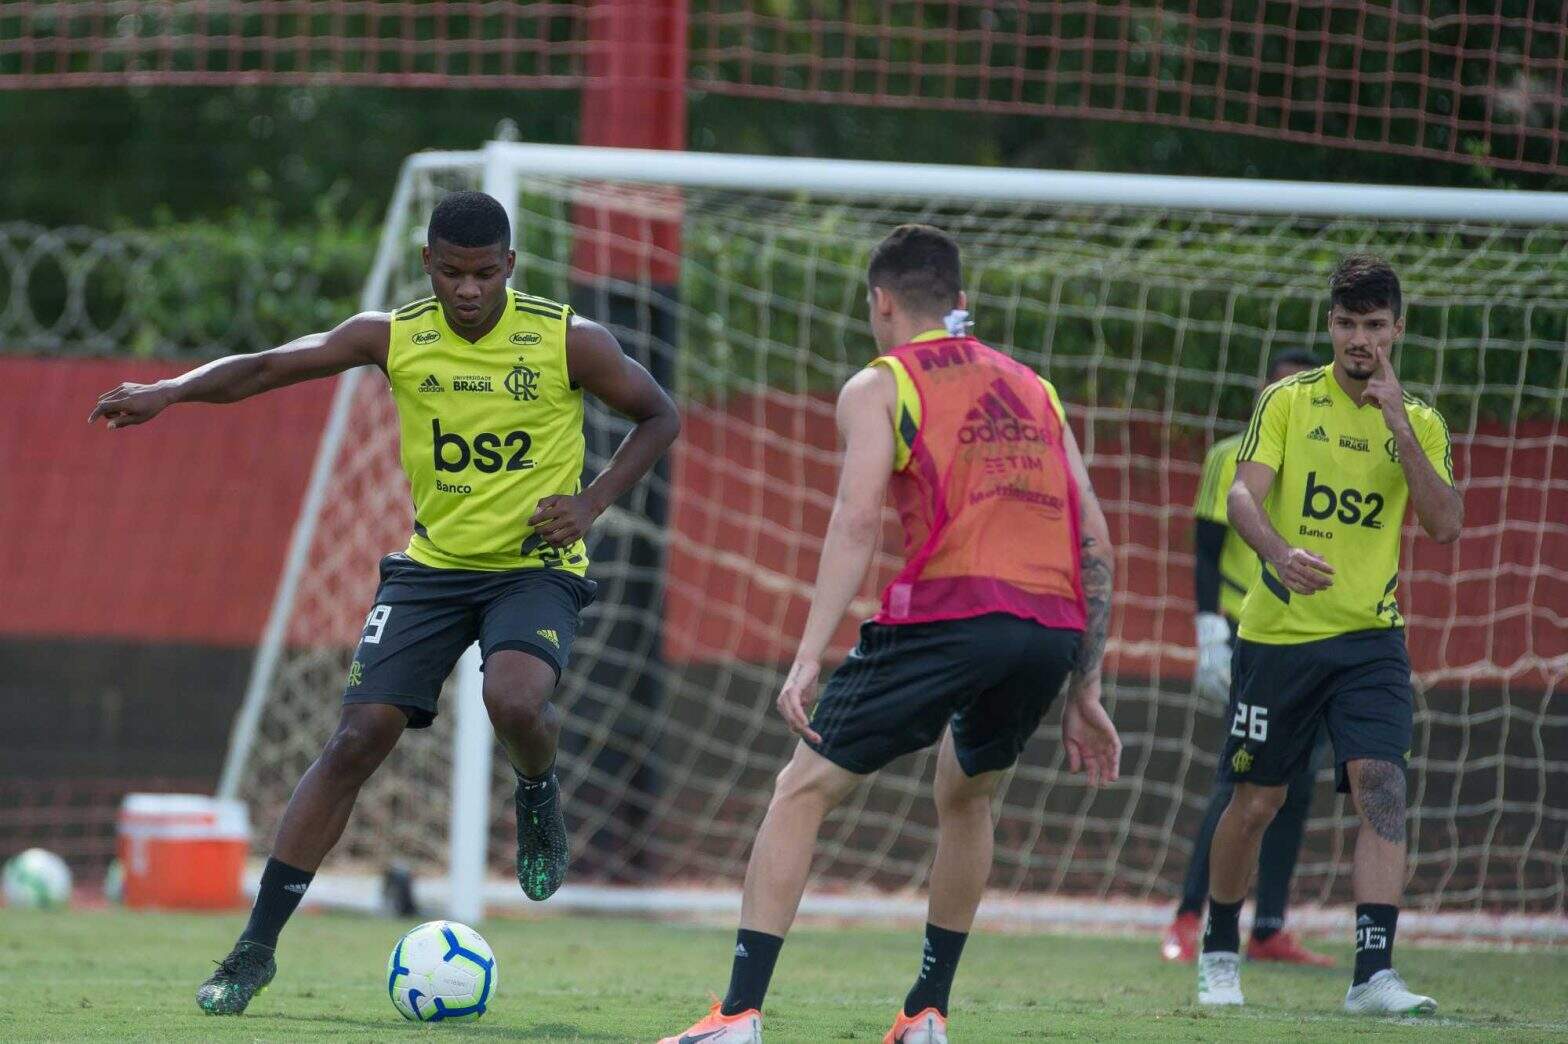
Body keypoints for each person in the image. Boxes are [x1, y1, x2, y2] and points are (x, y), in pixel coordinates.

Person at [89, 191, 680, 1016]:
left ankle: (537, 794)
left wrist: (590, 504)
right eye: (449, 272)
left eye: (482, 273)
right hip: (432, 567)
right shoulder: (394, 335)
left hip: (532, 568)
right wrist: (170, 388)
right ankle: (253, 951)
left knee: (513, 699)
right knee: (357, 737)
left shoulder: (567, 339)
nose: (466, 290)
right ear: (428, 266)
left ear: (509, 267)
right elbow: (270, 366)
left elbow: (659, 414)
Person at [658, 225, 1121, 1044]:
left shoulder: (881, 383)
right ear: (959, 301)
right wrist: (1085, 686)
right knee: (968, 790)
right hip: (1052, 626)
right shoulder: (1035, 388)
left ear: (882, 302)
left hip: (951, 613)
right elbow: (1095, 537)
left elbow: (856, 516)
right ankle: (927, 1012)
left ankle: (736, 1015)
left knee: (801, 789)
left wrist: (807, 656)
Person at [1196, 253, 1461, 1014]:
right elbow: (1243, 497)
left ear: (1397, 330)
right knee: (1255, 803)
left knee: (1383, 787)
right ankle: (1219, 947)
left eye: (1375, 326)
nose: (1360, 340)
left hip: (1371, 638)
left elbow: (1445, 526)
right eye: (1347, 324)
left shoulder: (1422, 423)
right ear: (1330, 326)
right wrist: (1279, 554)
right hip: (1278, 635)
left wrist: (1399, 427)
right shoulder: (1286, 401)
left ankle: (1372, 974)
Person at [1160, 349, 1334, 967]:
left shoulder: (1332, 460)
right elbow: (1208, 550)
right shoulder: (1230, 457)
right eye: (1275, 388)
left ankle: (1269, 927)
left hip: (1314, 637)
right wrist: (1210, 632)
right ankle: (1189, 915)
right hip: (1247, 633)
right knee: (1239, 776)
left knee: (1300, 782)